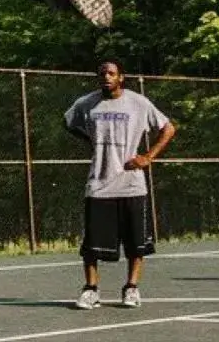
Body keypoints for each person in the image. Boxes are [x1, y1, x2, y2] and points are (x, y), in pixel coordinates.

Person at [64, 59, 176, 308]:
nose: (106, 77)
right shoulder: (86, 103)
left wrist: (148, 157)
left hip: (131, 184)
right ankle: (91, 290)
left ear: (121, 77)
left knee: (136, 244)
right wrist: (90, 139)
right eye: (103, 73)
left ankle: (131, 288)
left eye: (112, 73)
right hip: (99, 183)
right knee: (91, 245)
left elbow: (168, 128)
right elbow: (68, 122)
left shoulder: (139, 103)